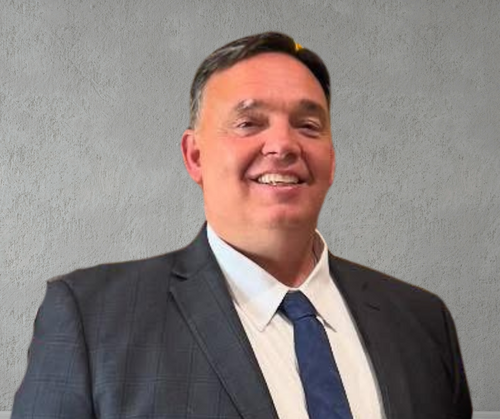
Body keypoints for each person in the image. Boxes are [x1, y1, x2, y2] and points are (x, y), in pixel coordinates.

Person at [12, 32, 472, 419]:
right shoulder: (93, 318)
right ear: (195, 156)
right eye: (249, 123)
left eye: (308, 126)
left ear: (331, 159)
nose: (283, 144)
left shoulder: (422, 322)